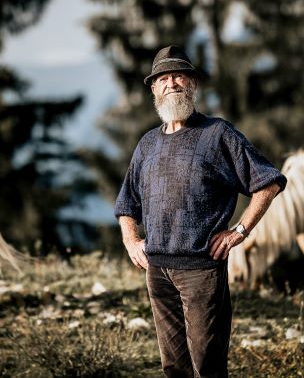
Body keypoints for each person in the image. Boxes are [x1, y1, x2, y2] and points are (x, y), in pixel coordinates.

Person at [114, 45, 287, 377]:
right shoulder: (147, 143)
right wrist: (131, 241)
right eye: (163, 78)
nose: (172, 83)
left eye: (179, 75)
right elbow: (126, 204)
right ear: (154, 89)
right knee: (173, 367)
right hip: (157, 270)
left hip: (202, 271)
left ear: (192, 83)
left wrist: (240, 230)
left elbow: (269, 181)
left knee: (207, 365)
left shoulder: (217, 134)